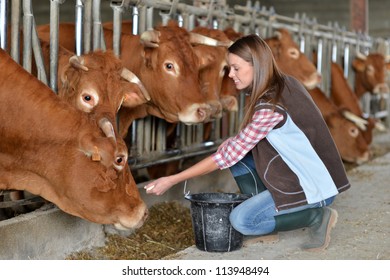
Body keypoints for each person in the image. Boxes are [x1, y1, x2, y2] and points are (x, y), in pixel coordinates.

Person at [144, 34, 350, 252]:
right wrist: (231, 142)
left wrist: (172, 179)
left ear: (256, 65)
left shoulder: (270, 106)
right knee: (234, 155)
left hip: (315, 188)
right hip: (304, 173)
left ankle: (317, 217)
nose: (230, 75)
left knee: (242, 221)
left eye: (235, 68)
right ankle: (271, 224)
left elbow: (225, 157)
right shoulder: (285, 83)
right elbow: (236, 150)